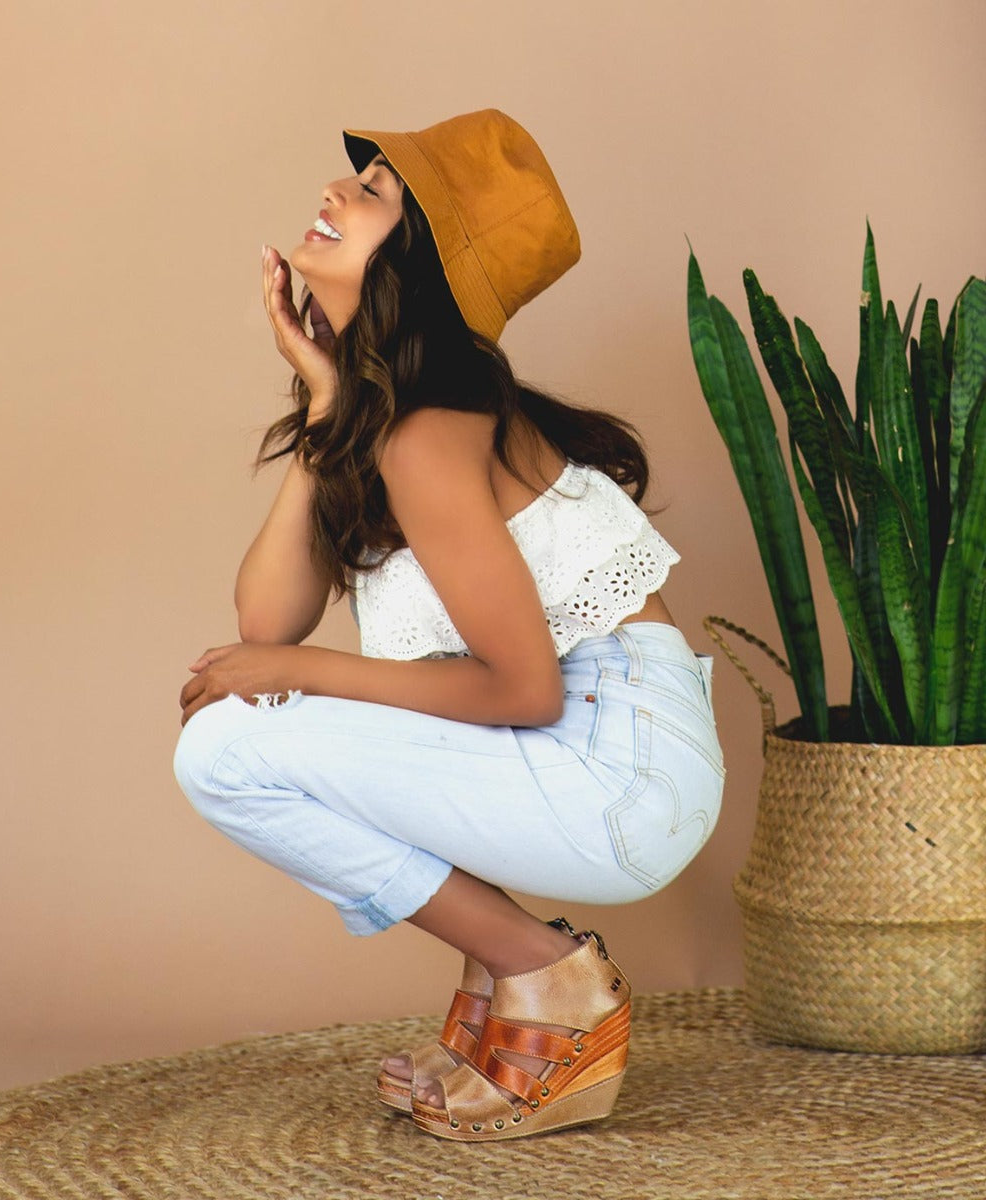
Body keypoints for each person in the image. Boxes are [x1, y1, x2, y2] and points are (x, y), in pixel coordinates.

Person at [172, 108, 726, 1143]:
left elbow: (522, 691)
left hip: (621, 775)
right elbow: (266, 613)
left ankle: (539, 973)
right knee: (236, 733)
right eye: (358, 180)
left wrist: (299, 668)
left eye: (376, 193)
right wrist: (324, 397)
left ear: (418, 266)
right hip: (604, 750)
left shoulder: (432, 430)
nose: (337, 194)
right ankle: (504, 973)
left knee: (224, 754)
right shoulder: (402, 416)